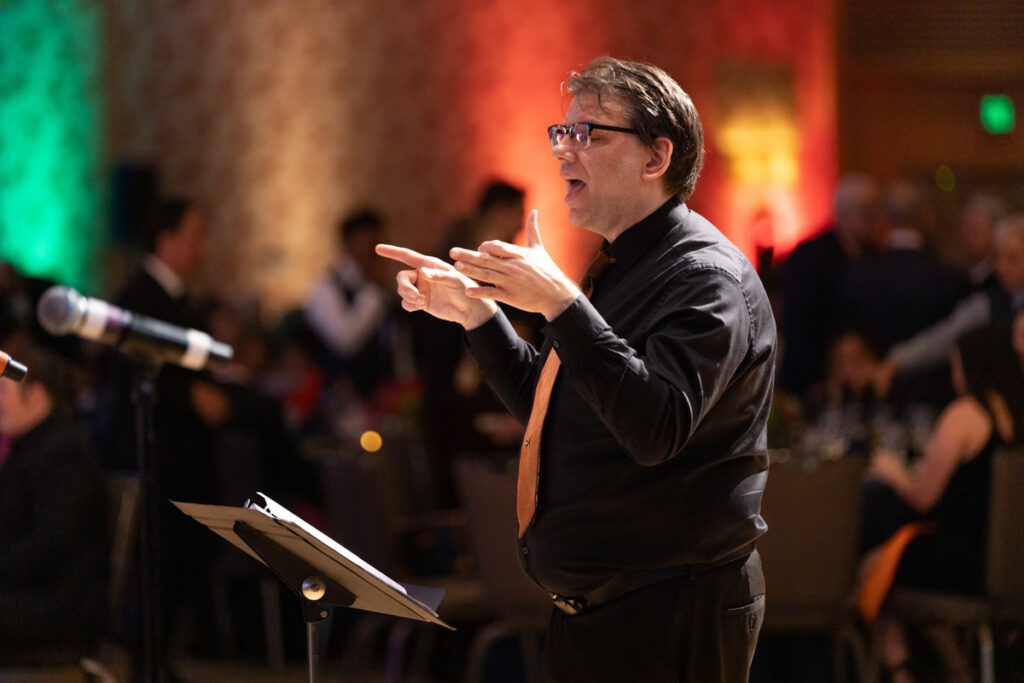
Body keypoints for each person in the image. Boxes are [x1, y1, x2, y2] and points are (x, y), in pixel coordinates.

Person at [377, 56, 776, 682]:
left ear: (655, 158)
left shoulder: (705, 278)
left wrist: (562, 303)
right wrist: (479, 316)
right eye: (560, 133)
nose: (564, 153)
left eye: (587, 133)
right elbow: (555, 403)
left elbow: (656, 427)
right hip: (599, 610)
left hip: (672, 611)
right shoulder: (622, 264)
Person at [858, 326, 1024, 682]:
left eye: (956, 366)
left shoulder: (965, 414)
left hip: (965, 562)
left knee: (871, 567)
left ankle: (901, 672)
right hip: (1010, 560)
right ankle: (957, 668)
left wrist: (891, 471)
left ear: (970, 366)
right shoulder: (1016, 413)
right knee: (894, 564)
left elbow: (923, 496)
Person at [0, 344, 108, 665]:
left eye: (2, 391)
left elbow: (46, 549)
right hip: (28, 594)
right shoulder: (32, 448)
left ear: (35, 395)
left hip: (57, 607)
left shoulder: (65, 456)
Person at [874, 213, 1024, 396]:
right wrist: (896, 361)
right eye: (998, 257)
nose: (1002, 267)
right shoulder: (989, 302)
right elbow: (942, 338)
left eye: (1013, 258)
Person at [778, 173, 880, 398]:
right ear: (843, 213)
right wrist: (812, 378)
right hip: (810, 381)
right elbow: (798, 320)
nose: (872, 219)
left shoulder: (874, 255)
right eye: (865, 211)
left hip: (857, 380)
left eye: (874, 211)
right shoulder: (810, 256)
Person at [304, 208, 395, 400]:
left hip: (381, 395)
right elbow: (345, 341)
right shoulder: (325, 288)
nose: (375, 252)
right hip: (338, 399)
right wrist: (372, 292)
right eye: (370, 245)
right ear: (348, 245)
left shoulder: (381, 289)